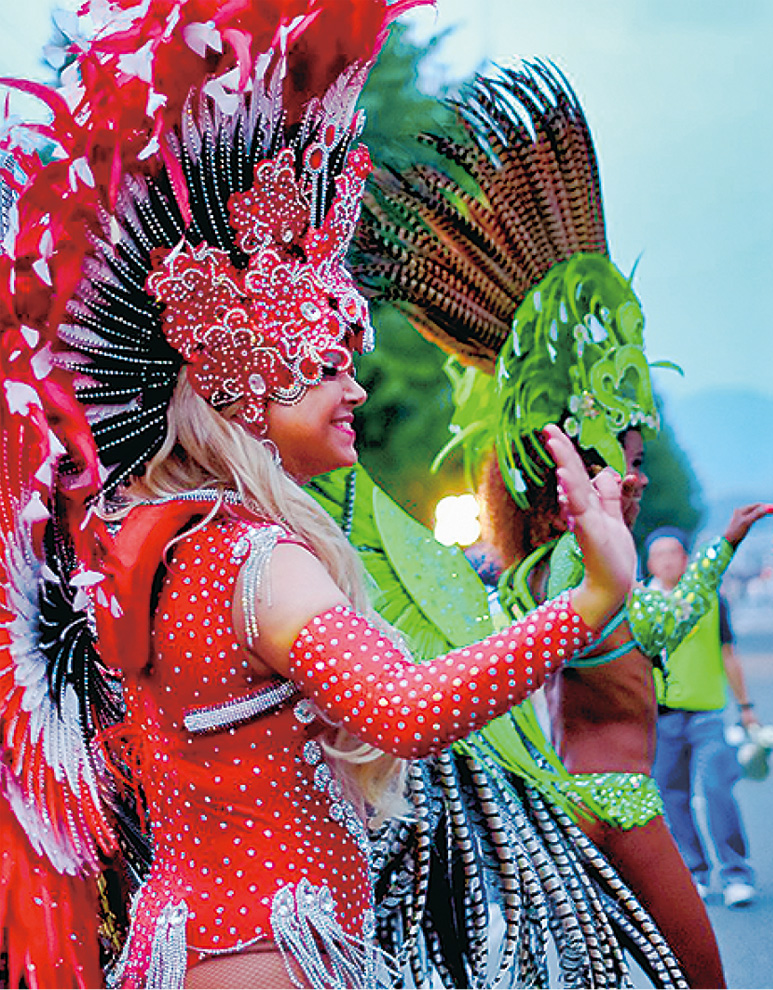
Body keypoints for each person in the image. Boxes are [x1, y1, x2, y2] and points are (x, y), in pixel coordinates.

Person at [0, 5, 639, 987]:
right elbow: (405, 710)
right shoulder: (254, 560)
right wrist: (590, 600)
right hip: (271, 960)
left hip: (198, 950)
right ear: (240, 383)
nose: (356, 388)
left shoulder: (172, 546)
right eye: (324, 364)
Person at [354, 60, 773, 988]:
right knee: (701, 974)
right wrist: (693, 560)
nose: (633, 476)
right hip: (619, 803)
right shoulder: (571, 576)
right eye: (618, 461)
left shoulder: (546, 577)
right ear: (568, 482)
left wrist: (716, 552)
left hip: (562, 802)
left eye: (633, 462)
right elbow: (629, 626)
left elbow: (639, 624)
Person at [647, 527, 760, 908]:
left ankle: (736, 872)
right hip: (660, 716)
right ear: (649, 563)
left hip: (708, 712)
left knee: (716, 788)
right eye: (659, 554)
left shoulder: (710, 598)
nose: (667, 560)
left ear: (685, 558)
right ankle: (694, 871)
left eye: (674, 553)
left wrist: (746, 707)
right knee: (671, 796)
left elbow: (729, 654)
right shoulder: (639, 603)